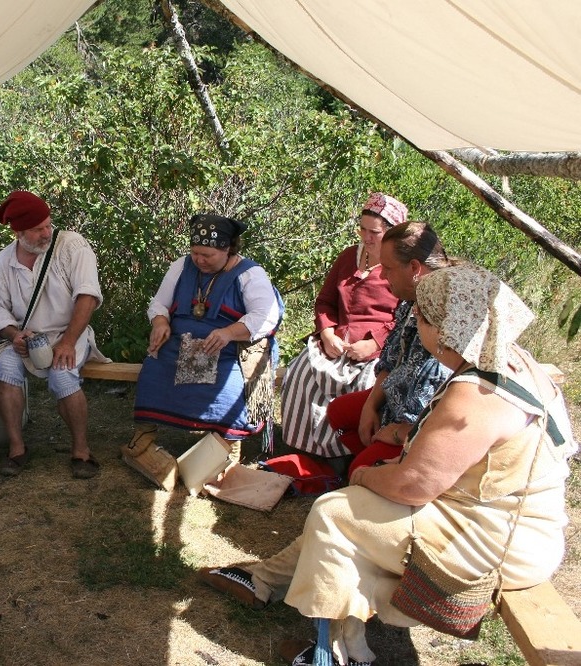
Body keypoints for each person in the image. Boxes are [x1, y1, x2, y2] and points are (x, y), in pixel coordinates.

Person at [199, 263, 576, 666]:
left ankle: (333, 650)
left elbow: (413, 484)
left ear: (445, 328)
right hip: (504, 522)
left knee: (337, 511)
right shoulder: (514, 362)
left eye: (422, 319)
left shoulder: (479, 394)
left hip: (495, 541)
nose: (417, 325)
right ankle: (278, 590)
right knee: (355, 513)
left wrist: (362, 475)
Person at [122, 214, 284, 489]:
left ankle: (226, 450)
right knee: (155, 368)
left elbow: (266, 316)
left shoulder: (249, 274)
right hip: (178, 344)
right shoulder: (181, 266)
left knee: (230, 387)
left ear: (228, 249)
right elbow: (159, 303)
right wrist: (160, 321)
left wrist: (228, 333)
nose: (199, 260)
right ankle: (142, 441)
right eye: (195, 253)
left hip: (227, 349)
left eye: (207, 255)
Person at [0, 190, 107, 479]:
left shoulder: (72, 246)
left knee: (62, 374)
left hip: (69, 333)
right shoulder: (1, 264)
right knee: (3, 368)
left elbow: (87, 296)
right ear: (18, 232)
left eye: (48, 224)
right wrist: (15, 334)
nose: (46, 233)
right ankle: (17, 450)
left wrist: (67, 342)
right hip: (28, 339)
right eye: (37, 229)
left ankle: (81, 451)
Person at [279, 192, 406, 468]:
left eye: (374, 232)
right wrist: (327, 333)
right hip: (335, 341)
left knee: (365, 386)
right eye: (362, 229)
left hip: (374, 351)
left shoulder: (399, 268)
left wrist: (374, 344)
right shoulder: (349, 256)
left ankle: (344, 457)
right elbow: (325, 301)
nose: (366, 237)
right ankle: (302, 449)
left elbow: (402, 318)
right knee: (299, 374)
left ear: (392, 233)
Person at [325, 221, 453, 478]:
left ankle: (383, 471)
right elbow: (392, 357)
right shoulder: (410, 300)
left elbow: (435, 400)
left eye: (389, 269)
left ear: (415, 268)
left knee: (358, 471)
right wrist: (371, 406)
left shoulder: (447, 308)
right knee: (339, 412)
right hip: (396, 400)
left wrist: (399, 432)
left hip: (424, 421)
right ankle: (373, 465)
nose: (383, 276)